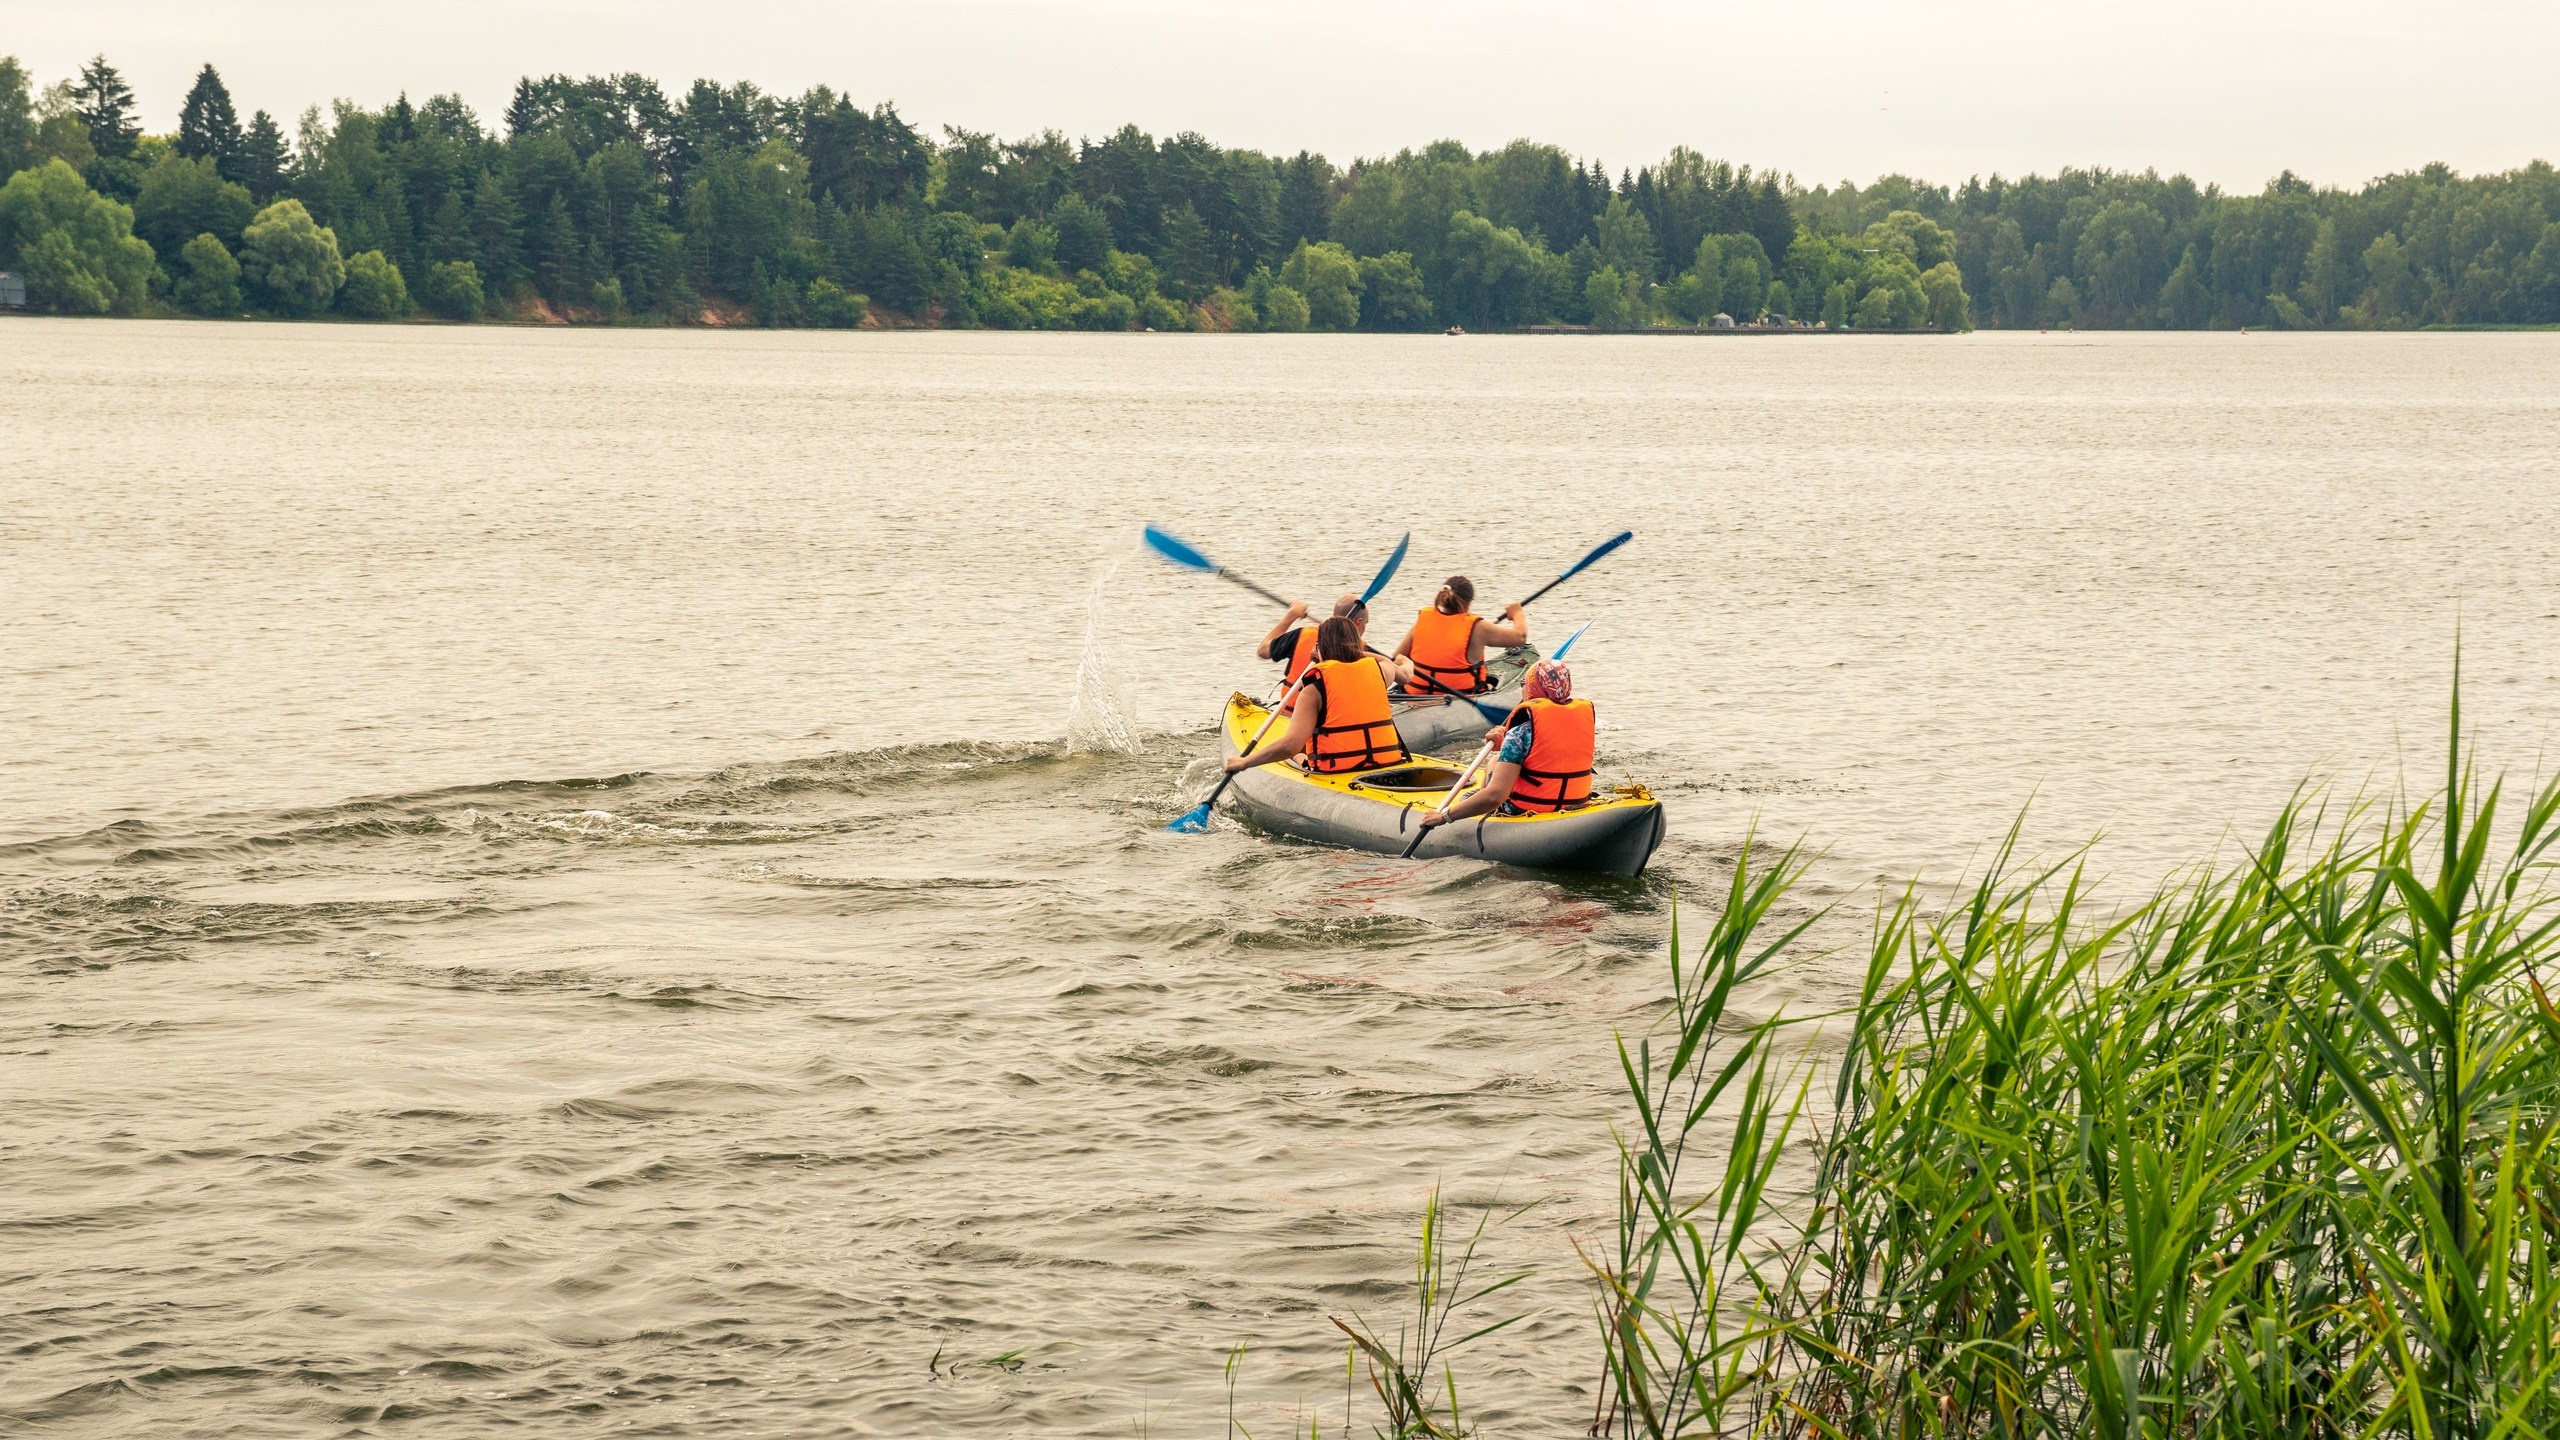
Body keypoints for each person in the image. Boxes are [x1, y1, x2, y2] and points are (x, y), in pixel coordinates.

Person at [1417, 659, 1594, 828]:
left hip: (1526, 810)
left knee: (1493, 763)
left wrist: (1444, 816)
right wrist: (1505, 745)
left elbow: (1495, 796)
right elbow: (1550, 752)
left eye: (1523, 684)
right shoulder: (1582, 718)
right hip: (1574, 804)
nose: (1522, 689)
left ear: (1533, 688)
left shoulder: (1520, 731)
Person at [1225, 617, 1411, 777]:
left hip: (1336, 771)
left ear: (1320, 646)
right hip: (1386, 763)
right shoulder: (1381, 672)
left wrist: (1245, 762)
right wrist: (1405, 661)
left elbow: (1290, 745)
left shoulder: (1313, 690)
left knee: (1296, 754)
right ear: (1357, 644)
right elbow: (1400, 670)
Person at [1394, 575, 1527, 695]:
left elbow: (1396, 659)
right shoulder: (1478, 627)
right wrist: (1517, 613)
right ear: (1469, 602)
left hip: (1414, 694)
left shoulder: (1423, 619)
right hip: (1460, 698)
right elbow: (1520, 637)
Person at [1258, 594, 1372, 709]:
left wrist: (1291, 615)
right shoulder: (1365, 653)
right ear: (1358, 622)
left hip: (1289, 715)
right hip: (1331, 721)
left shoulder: (1303, 635)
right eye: (1365, 624)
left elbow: (1263, 650)